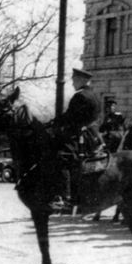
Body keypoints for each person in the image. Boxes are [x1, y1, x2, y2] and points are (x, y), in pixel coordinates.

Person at [52, 68, 103, 209]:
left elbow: (70, 117)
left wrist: (54, 123)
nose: (72, 82)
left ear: (81, 80)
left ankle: (64, 197)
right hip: (94, 134)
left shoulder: (79, 96)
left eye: (74, 79)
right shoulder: (94, 95)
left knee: (61, 157)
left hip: (81, 136)